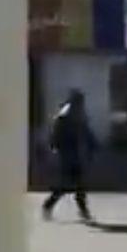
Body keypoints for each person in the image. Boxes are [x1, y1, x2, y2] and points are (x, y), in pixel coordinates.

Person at [42, 90, 98, 221]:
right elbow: (57, 134)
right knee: (66, 185)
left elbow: (86, 132)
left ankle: (82, 211)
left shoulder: (76, 114)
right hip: (68, 156)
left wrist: (92, 145)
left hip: (74, 155)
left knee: (78, 185)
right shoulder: (67, 115)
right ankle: (48, 206)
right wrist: (55, 147)